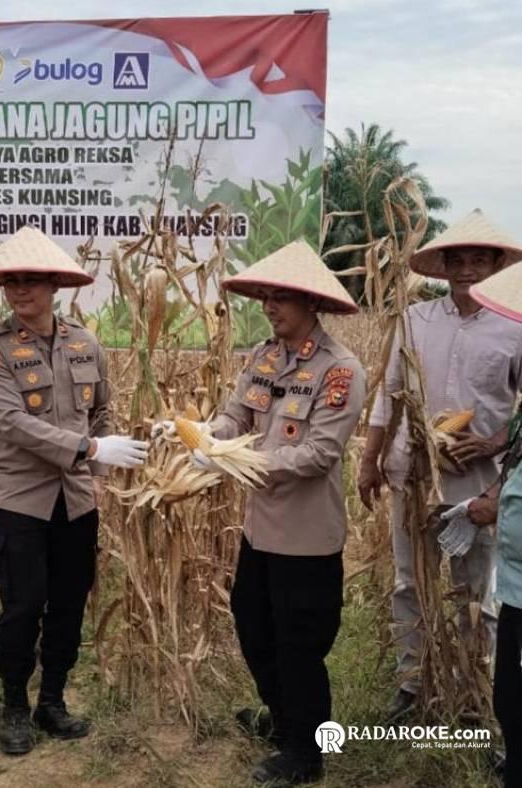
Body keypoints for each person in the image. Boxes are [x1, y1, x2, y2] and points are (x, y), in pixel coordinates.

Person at [159, 241, 366, 784]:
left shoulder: (339, 371)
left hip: (306, 537)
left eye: (282, 299)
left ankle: (308, 751)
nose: (270, 308)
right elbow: (235, 417)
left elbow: (319, 454)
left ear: (309, 303)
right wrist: (203, 435)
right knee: (254, 629)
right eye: (266, 298)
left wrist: (236, 461)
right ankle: (284, 718)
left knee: (300, 646)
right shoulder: (263, 357)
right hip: (259, 531)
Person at [0, 227, 148, 756]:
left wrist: (100, 468)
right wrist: (91, 451)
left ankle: (52, 701)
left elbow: (103, 412)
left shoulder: (84, 342)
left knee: (69, 604)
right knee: (22, 607)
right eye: (11, 283)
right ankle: (14, 708)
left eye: (31, 281)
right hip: (19, 502)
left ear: (54, 287)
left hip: (76, 503)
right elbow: (12, 425)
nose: (20, 290)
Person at [357, 210, 522, 720]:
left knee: (475, 589)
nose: (468, 270)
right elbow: (388, 394)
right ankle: (413, 681)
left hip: (477, 484)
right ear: (443, 267)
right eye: (458, 260)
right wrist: (370, 459)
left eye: (479, 260)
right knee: (410, 581)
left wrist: (493, 441)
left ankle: (475, 690)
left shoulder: (516, 326)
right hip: (412, 475)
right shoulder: (414, 320)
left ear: (496, 267)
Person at [465, 265, 522, 788]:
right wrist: (492, 496)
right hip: (517, 583)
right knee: (510, 693)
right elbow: (515, 465)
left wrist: (497, 507)